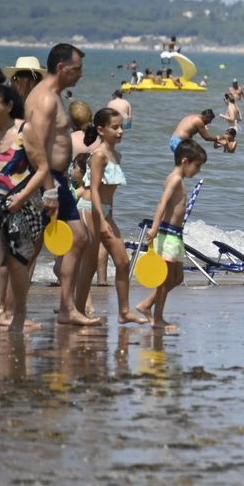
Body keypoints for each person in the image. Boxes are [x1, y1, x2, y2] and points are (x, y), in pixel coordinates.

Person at [22, 44, 101, 327]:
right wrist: (50, 189)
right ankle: (11, 311)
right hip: (46, 180)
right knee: (28, 249)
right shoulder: (44, 99)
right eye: (77, 69)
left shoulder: (53, 96)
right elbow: (36, 148)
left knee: (78, 238)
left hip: (57, 180)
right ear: (61, 68)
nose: (81, 74)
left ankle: (67, 308)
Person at [0, 84, 46, 334]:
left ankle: (20, 311)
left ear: (8, 106)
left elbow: (43, 168)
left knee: (17, 263)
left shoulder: (24, 131)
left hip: (22, 202)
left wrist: (22, 197)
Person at [78, 107, 147, 324]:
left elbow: (109, 194)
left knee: (123, 261)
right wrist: (101, 220)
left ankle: (124, 312)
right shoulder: (98, 155)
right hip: (90, 209)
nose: (120, 131)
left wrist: (109, 218)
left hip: (105, 212)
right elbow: (94, 190)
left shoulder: (116, 155)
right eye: (115, 127)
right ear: (101, 130)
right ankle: (78, 310)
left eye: (122, 127)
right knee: (89, 264)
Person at [135, 139, 206, 332]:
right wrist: (154, 228)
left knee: (177, 278)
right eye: (197, 166)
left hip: (175, 235)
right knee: (165, 279)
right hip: (167, 234)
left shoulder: (179, 180)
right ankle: (157, 318)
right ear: (185, 161)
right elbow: (162, 203)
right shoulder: (174, 180)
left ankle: (147, 305)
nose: (198, 171)